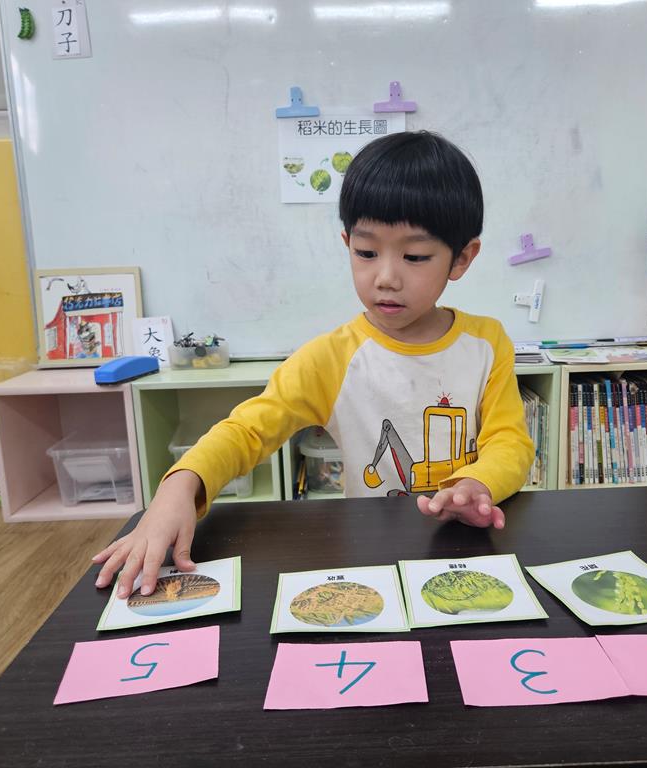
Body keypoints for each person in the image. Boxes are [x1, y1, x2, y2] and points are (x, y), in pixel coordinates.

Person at [93, 131, 534, 598]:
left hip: (467, 549)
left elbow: (510, 441)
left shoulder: (486, 343)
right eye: (366, 252)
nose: (385, 277)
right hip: (373, 555)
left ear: (461, 258)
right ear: (347, 243)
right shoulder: (331, 358)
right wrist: (179, 488)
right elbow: (247, 431)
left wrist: (476, 483)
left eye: (415, 256)